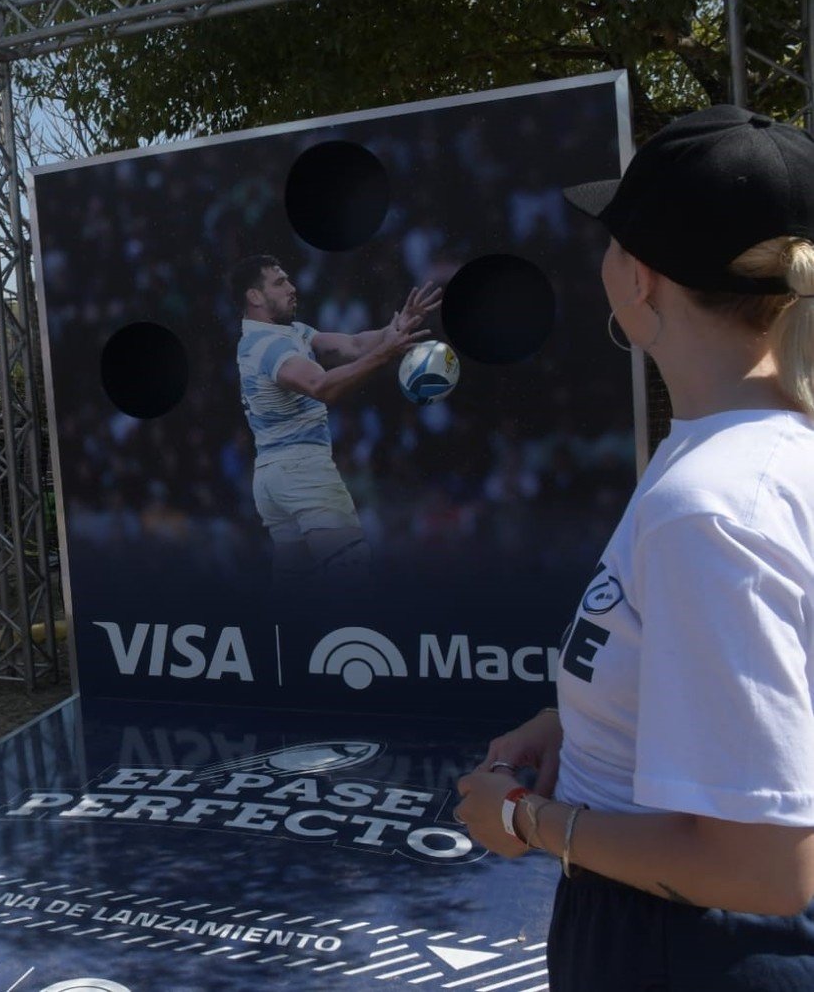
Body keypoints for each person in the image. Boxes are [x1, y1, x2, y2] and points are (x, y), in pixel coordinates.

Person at [455, 105, 814, 990]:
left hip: (688, 946)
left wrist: (528, 819)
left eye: (612, 239)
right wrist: (571, 727)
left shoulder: (716, 505)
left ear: (639, 279)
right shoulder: (736, 458)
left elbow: (762, 868)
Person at [232, 254, 439, 586]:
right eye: (280, 282)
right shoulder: (267, 345)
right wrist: (386, 353)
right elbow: (321, 386)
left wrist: (394, 329)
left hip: (273, 475)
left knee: (294, 589)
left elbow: (354, 345)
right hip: (303, 472)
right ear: (254, 296)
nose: (292, 287)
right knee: (351, 573)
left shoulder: (290, 333)